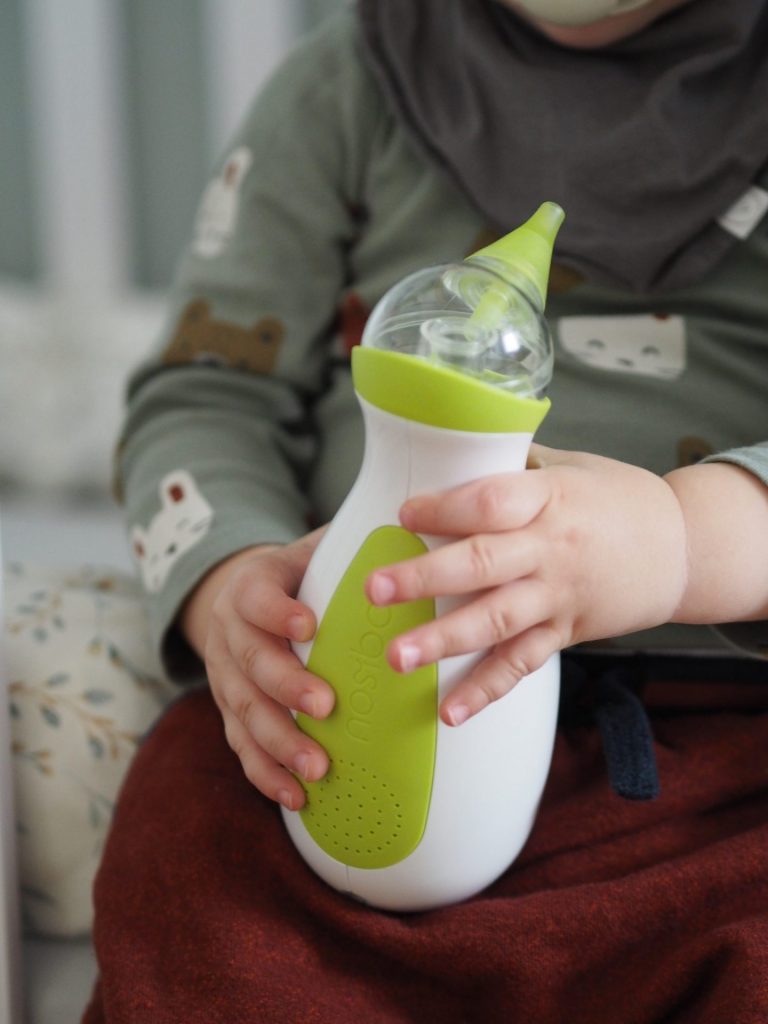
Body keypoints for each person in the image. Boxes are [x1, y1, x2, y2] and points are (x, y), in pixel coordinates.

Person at [84, 2, 768, 1021]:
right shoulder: (350, 83)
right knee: (189, 835)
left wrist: (679, 543)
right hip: (349, 702)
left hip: (715, 730)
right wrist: (230, 582)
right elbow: (205, 392)